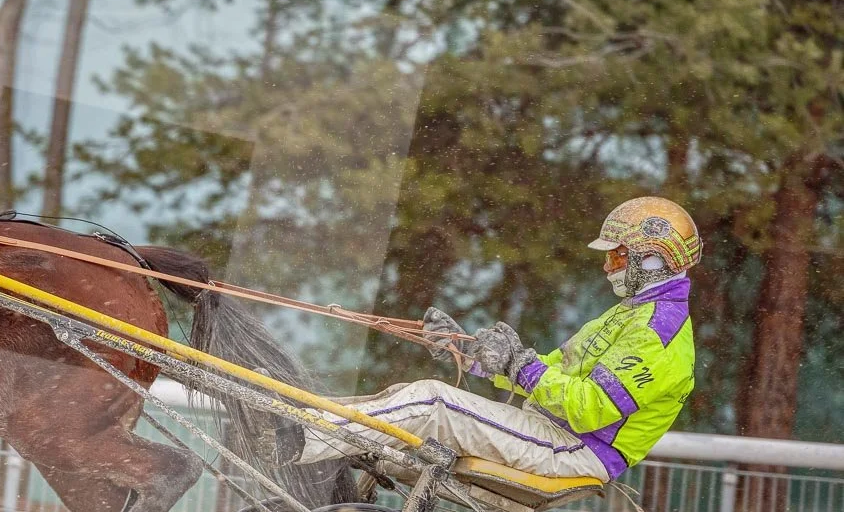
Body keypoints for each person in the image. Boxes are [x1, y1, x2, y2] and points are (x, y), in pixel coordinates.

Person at [292, 197, 701, 481]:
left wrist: (520, 364)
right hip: (550, 433)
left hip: (577, 452)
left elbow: (588, 409)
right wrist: (473, 356)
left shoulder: (657, 333)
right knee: (406, 396)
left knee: (434, 402)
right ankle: (298, 417)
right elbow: (548, 372)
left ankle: (302, 437)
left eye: (617, 256)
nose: (607, 266)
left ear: (654, 260)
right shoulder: (631, 314)